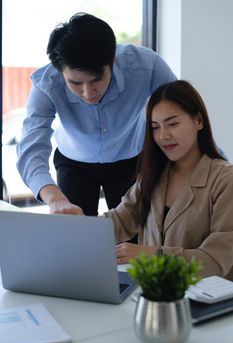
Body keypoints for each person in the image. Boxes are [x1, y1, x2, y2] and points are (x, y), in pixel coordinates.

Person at [16, 12, 176, 218]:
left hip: (130, 159)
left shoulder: (147, 66)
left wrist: (213, 165)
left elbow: (182, 115)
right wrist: (54, 198)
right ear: (60, 71)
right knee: (76, 236)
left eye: (96, 79)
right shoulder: (47, 84)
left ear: (112, 60)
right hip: (74, 163)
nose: (88, 93)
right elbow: (31, 148)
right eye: (75, 83)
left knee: (134, 236)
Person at [104, 80, 233, 279]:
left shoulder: (225, 180)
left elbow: (214, 261)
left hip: (206, 302)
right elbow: (119, 221)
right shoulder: (153, 175)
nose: (163, 136)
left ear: (199, 121)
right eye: (155, 127)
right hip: (154, 293)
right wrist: (77, 228)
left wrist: (150, 254)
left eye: (173, 124)